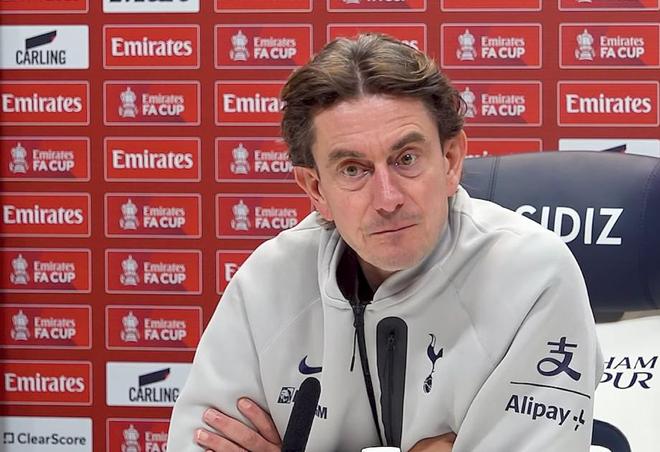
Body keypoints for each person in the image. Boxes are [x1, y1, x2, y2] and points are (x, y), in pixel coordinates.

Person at [167, 34, 603, 451]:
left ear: (451, 161)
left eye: (406, 159)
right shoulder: (269, 281)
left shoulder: (533, 276)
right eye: (353, 170)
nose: (388, 199)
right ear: (316, 189)